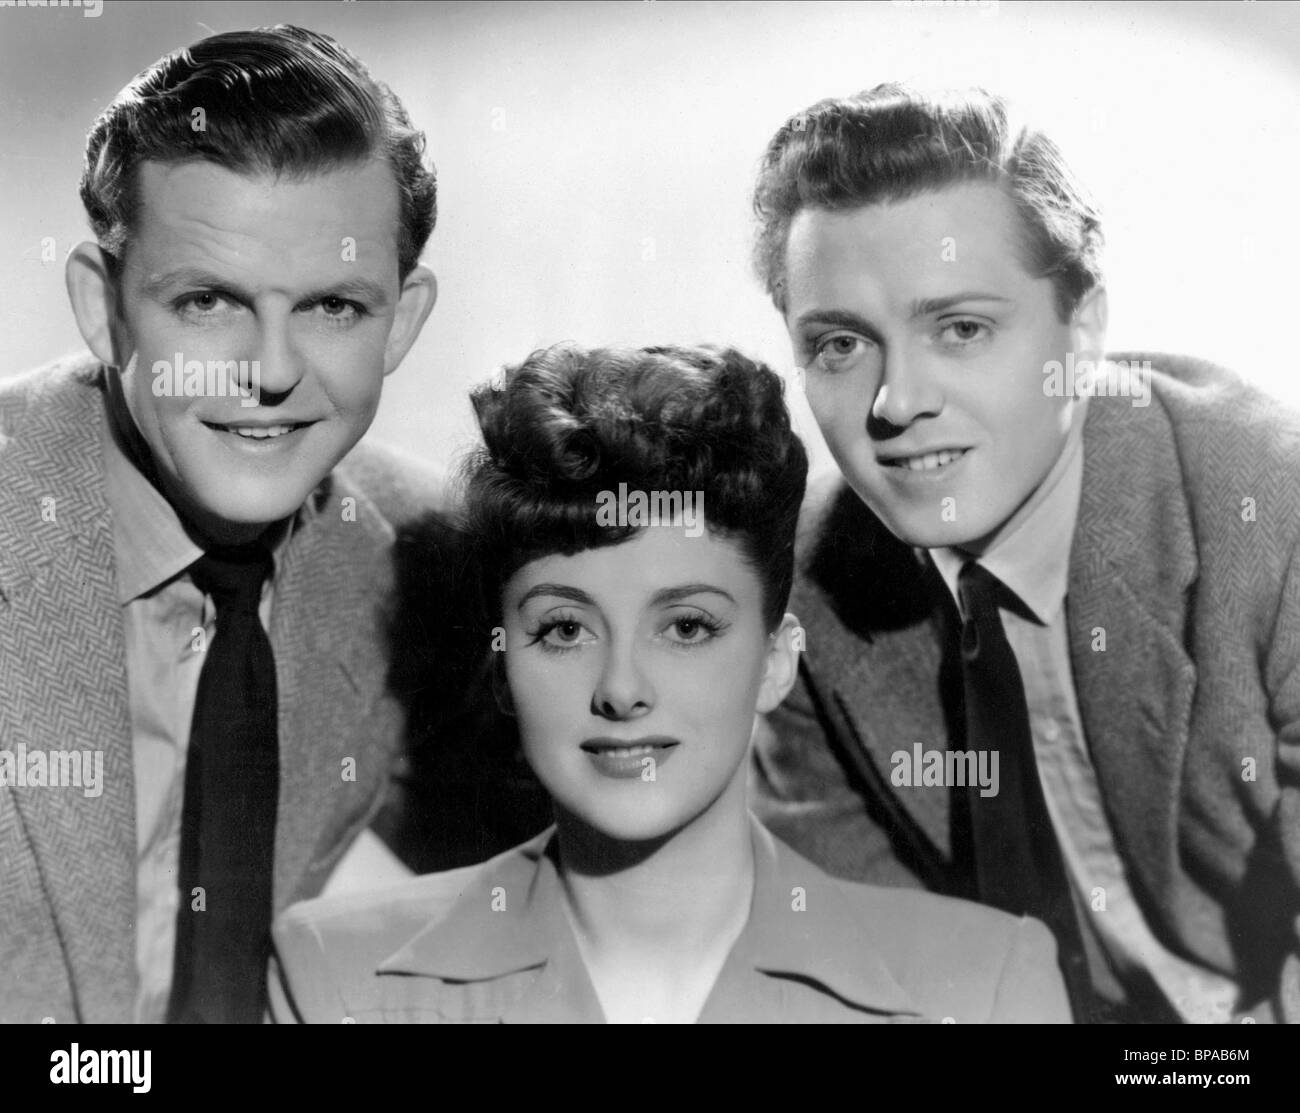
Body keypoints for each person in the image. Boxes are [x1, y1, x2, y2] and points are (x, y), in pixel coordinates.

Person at [270, 342, 1070, 1024]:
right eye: (563, 629)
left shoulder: (987, 990)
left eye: (687, 627)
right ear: (502, 666)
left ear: (776, 658)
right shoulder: (337, 982)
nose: (622, 688)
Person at [747, 83, 1300, 1023]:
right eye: (840, 344)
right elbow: (872, 969)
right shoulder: (802, 589)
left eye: (960, 328)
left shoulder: (1268, 509)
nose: (896, 402)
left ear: (1082, 330)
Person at [0, 25, 443, 1023]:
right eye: (207, 301)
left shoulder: (422, 554)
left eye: (333, 307)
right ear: (103, 307)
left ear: (402, 321)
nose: (272, 371)